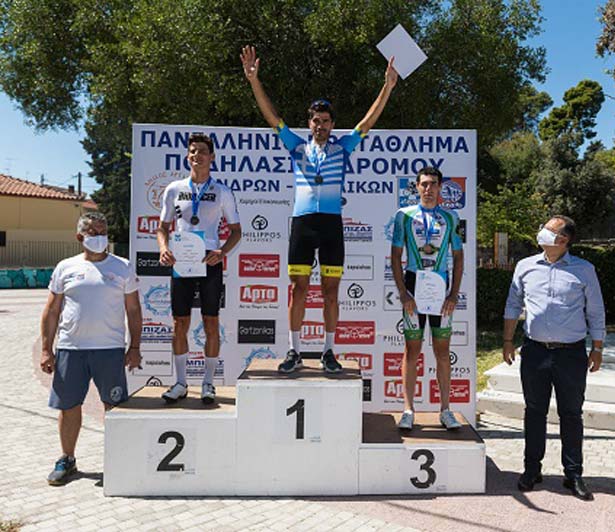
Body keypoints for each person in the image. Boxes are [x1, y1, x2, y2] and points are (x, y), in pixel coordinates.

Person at [240, 45, 398, 374]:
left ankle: (328, 351)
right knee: (298, 289)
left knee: (331, 292)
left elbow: (367, 122)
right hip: (302, 224)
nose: (320, 125)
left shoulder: (344, 148)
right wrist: (254, 81)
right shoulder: (296, 147)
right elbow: (271, 117)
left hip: (330, 225)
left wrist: (387, 87)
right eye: (315, 120)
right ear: (309, 123)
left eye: (325, 121)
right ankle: (294, 351)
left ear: (332, 124)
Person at [502, 215, 605, 500]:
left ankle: (573, 474)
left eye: (549, 229)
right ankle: (531, 469)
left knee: (571, 414)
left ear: (563, 240)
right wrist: (507, 341)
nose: (542, 232)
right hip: (534, 351)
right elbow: (513, 304)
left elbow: (596, 311)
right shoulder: (525, 266)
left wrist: (598, 348)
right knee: (534, 412)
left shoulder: (584, 270)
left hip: (571, 353)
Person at [40, 212, 142, 485]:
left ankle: (119, 461)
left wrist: (135, 347)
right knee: (69, 406)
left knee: (114, 406)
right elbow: (52, 310)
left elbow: (133, 310)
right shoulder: (65, 267)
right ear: (80, 237)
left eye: (103, 232)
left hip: (109, 350)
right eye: (93, 233)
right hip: (71, 348)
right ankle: (67, 459)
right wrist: (46, 349)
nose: (100, 238)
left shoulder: (123, 266)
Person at [157, 133, 242, 404]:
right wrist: (163, 248)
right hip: (181, 260)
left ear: (212, 157)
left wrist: (222, 252)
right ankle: (181, 382)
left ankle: (208, 383)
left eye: (203, 151)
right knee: (179, 322)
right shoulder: (174, 189)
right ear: (187, 156)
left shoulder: (222, 191)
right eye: (193, 151)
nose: (197, 155)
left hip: (209, 261)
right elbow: (162, 227)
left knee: (211, 322)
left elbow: (237, 231)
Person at [390, 167, 464, 430]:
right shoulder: (404, 216)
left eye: (433, 184)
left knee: (442, 351)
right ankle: (408, 409)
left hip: (440, 287)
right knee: (412, 349)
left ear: (440, 187)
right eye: (424, 184)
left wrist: (453, 294)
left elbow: (458, 257)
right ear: (417, 187)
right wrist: (403, 292)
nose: (428, 189)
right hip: (413, 285)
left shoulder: (451, 217)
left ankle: (445, 410)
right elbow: (395, 256)